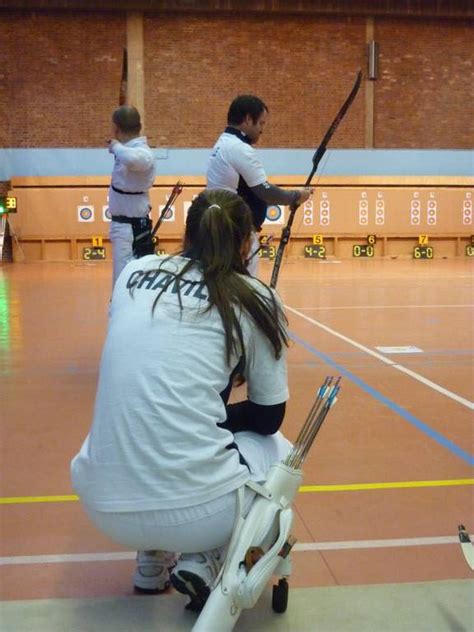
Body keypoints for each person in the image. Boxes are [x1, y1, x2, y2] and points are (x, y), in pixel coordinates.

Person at [71, 189, 292, 612]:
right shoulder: (254, 297)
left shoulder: (134, 273)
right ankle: (204, 558)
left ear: (187, 235)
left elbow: (152, 363)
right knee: (280, 451)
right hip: (194, 513)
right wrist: (211, 415)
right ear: (246, 244)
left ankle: (152, 561)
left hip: (101, 500)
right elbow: (268, 416)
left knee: (149, 423)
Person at [207, 94, 312, 276]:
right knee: (244, 286)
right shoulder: (239, 148)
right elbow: (265, 192)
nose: (262, 130)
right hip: (238, 233)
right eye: (261, 124)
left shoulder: (223, 144)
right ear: (248, 119)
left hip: (224, 229)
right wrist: (296, 196)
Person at [107, 105, 156, 287]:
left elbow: (137, 160)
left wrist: (116, 147)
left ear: (116, 128)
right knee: (125, 279)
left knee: (124, 281)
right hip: (124, 226)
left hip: (131, 229)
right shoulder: (129, 149)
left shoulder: (142, 152)